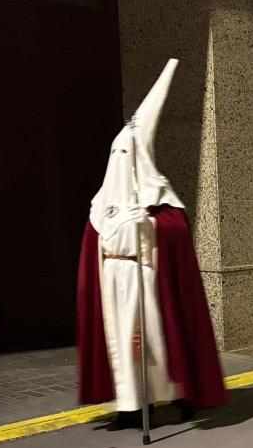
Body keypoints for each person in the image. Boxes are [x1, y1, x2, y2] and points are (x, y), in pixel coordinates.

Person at [77, 59, 227, 427]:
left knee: (154, 346)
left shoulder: (159, 198)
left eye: (125, 154)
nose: (119, 160)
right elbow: (91, 241)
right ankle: (131, 407)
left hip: (146, 280)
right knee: (122, 349)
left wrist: (152, 224)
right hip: (112, 279)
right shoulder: (102, 201)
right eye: (116, 153)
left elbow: (176, 232)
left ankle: (178, 394)